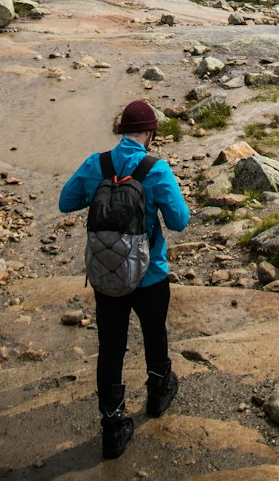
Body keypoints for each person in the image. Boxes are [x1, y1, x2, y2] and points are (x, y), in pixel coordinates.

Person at [59, 99, 190, 459]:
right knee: (154, 331)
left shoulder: (96, 164)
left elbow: (65, 203)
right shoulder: (156, 169)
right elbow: (179, 221)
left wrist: (99, 194)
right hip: (151, 275)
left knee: (111, 347)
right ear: (150, 132)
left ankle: (113, 426)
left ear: (121, 132)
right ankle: (158, 393)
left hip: (107, 278)